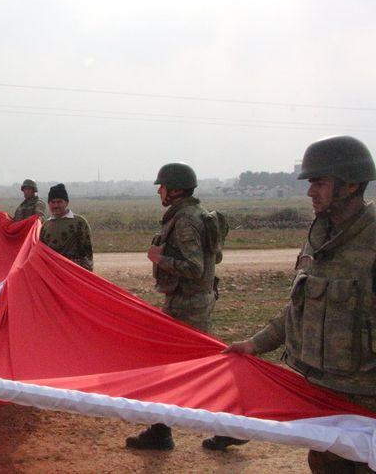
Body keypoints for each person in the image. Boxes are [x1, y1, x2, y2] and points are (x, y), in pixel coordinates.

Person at [225, 135, 376, 473]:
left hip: (366, 402)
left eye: (319, 182)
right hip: (318, 395)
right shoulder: (317, 237)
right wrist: (254, 344)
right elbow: (297, 308)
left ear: (351, 184)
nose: (310, 192)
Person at [126, 163, 247, 452]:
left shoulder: (185, 220)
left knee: (194, 370)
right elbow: (213, 259)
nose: (159, 190)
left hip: (187, 305)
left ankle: (229, 426)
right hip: (191, 301)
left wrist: (159, 258)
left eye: (163, 186)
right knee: (177, 368)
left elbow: (196, 267)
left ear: (176, 189)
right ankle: (162, 429)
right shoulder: (195, 215)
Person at [40, 183, 93, 271]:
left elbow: (87, 251)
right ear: (49, 204)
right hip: (52, 271)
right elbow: (42, 252)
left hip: (74, 271)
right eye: (53, 202)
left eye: (59, 202)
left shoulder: (79, 222)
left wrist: (87, 272)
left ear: (66, 202)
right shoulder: (46, 225)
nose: (56, 205)